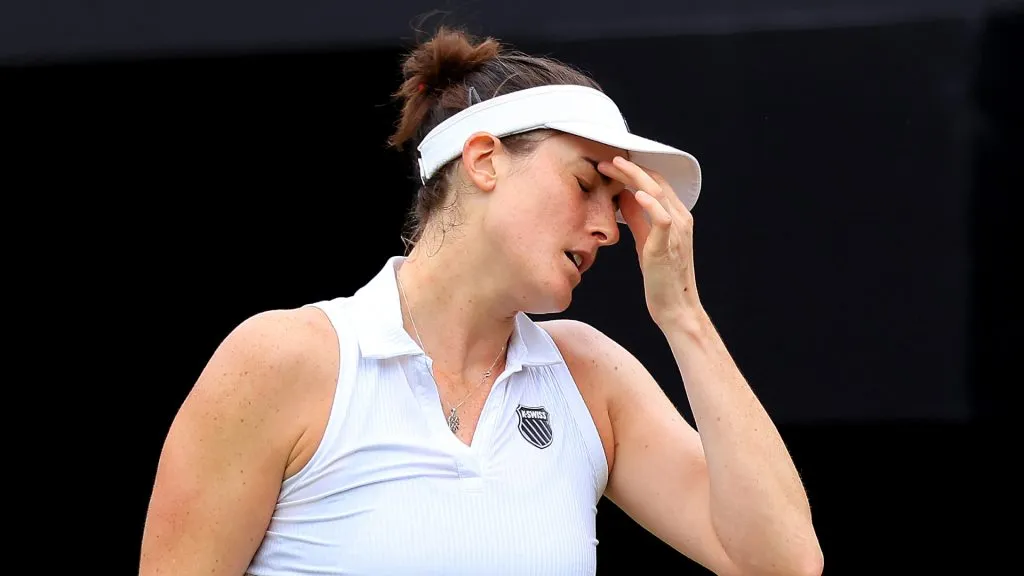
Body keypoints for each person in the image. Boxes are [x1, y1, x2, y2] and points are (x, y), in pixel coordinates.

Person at [139, 26, 823, 576]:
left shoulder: (589, 375)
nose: (612, 228)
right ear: (485, 160)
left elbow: (782, 562)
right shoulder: (286, 358)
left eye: (618, 205)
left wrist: (686, 319)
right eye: (588, 184)